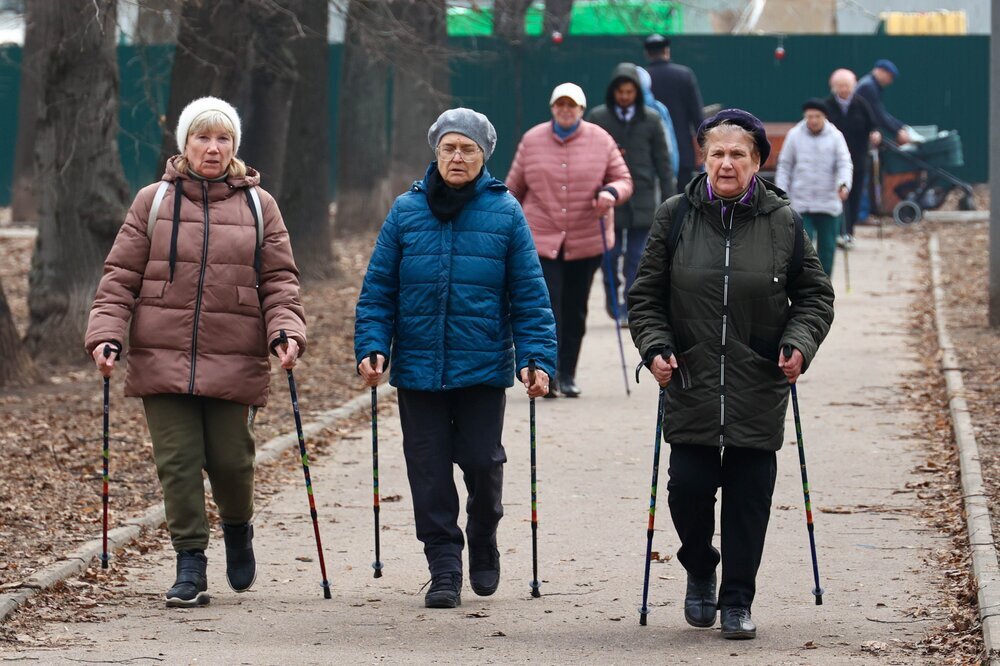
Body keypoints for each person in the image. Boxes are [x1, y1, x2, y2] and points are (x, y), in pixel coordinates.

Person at [85, 96, 306, 608]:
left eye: (223, 138)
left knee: (232, 460)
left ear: (235, 147)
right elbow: (120, 276)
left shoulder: (258, 205)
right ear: (184, 144)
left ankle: (237, 527)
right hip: (161, 353)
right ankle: (190, 562)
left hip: (234, 353)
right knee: (178, 463)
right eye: (202, 137)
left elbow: (279, 279)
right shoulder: (153, 201)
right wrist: (106, 335)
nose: (212, 147)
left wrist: (285, 332)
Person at [627, 109, 835, 640]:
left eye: (737, 154)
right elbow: (646, 298)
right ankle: (700, 565)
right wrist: (655, 348)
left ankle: (737, 599)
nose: (725, 163)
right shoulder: (675, 216)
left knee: (749, 498)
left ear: (757, 162)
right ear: (703, 157)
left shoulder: (782, 221)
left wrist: (799, 344)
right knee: (687, 490)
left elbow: (814, 295)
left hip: (757, 378)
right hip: (690, 378)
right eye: (716, 153)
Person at [354, 108, 557, 609]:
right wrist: (372, 346)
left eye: (468, 148)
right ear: (436, 152)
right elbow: (378, 291)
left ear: (485, 154)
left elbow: (529, 296)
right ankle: (444, 565)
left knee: (482, 464)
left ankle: (484, 534)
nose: (457, 156)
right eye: (449, 147)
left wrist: (537, 358)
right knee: (427, 470)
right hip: (419, 371)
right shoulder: (406, 211)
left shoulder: (505, 212)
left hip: (482, 368)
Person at [506, 83, 633, 398]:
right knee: (547, 307)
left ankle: (568, 373)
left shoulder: (600, 139)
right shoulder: (532, 140)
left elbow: (623, 179)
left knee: (575, 309)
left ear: (581, 109)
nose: (565, 110)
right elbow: (514, 188)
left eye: (571, 105)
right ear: (552, 108)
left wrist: (610, 192)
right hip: (541, 239)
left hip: (585, 238)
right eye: (560, 104)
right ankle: (544, 373)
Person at [587, 63, 674, 326]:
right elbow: (587, 157)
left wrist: (669, 199)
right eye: (620, 91)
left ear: (636, 92)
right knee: (610, 255)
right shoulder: (599, 117)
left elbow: (663, 161)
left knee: (637, 256)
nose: (625, 96)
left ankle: (629, 305)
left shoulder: (651, 119)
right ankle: (613, 303)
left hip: (643, 196)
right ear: (613, 92)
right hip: (609, 197)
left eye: (629, 91)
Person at [776, 99, 853, 277]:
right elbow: (785, 166)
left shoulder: (835, 136)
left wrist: (844, 184)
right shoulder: (794, 135)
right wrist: (782, 192)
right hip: (801, 202)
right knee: (802, 248)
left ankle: (824, 286)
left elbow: (844, 163)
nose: (813, 120)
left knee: (827, 249)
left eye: (817, 116)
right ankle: (804, 286)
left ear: (824, 117)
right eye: (809, 116)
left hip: (828, 202)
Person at [824, 68, 881, 245]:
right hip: (832, 161)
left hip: (857, 158)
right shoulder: (827, 106)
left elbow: (874, 125)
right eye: (840, 86)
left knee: (855, 194)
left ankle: (849, 231)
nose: (844, 89)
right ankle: (837, 231)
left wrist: (875, 134)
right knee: (837, 195)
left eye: (847, 86)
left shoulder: (861, 104)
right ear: (833, 87)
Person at [644, 34, 704, 193]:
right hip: (683, 150)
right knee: (681, 203)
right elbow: (697, 116)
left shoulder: (642, 79)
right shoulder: (684, 75)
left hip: (650, 153)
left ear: (648, 53)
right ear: (667, 51)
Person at [856, 59, 910, 145]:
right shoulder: (869, 86)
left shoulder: (871, 85)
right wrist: (898, 131)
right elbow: (878, 115)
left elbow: (880, 113)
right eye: (890, 76)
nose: (891, 81)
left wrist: (901, 127)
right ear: (881, 71)